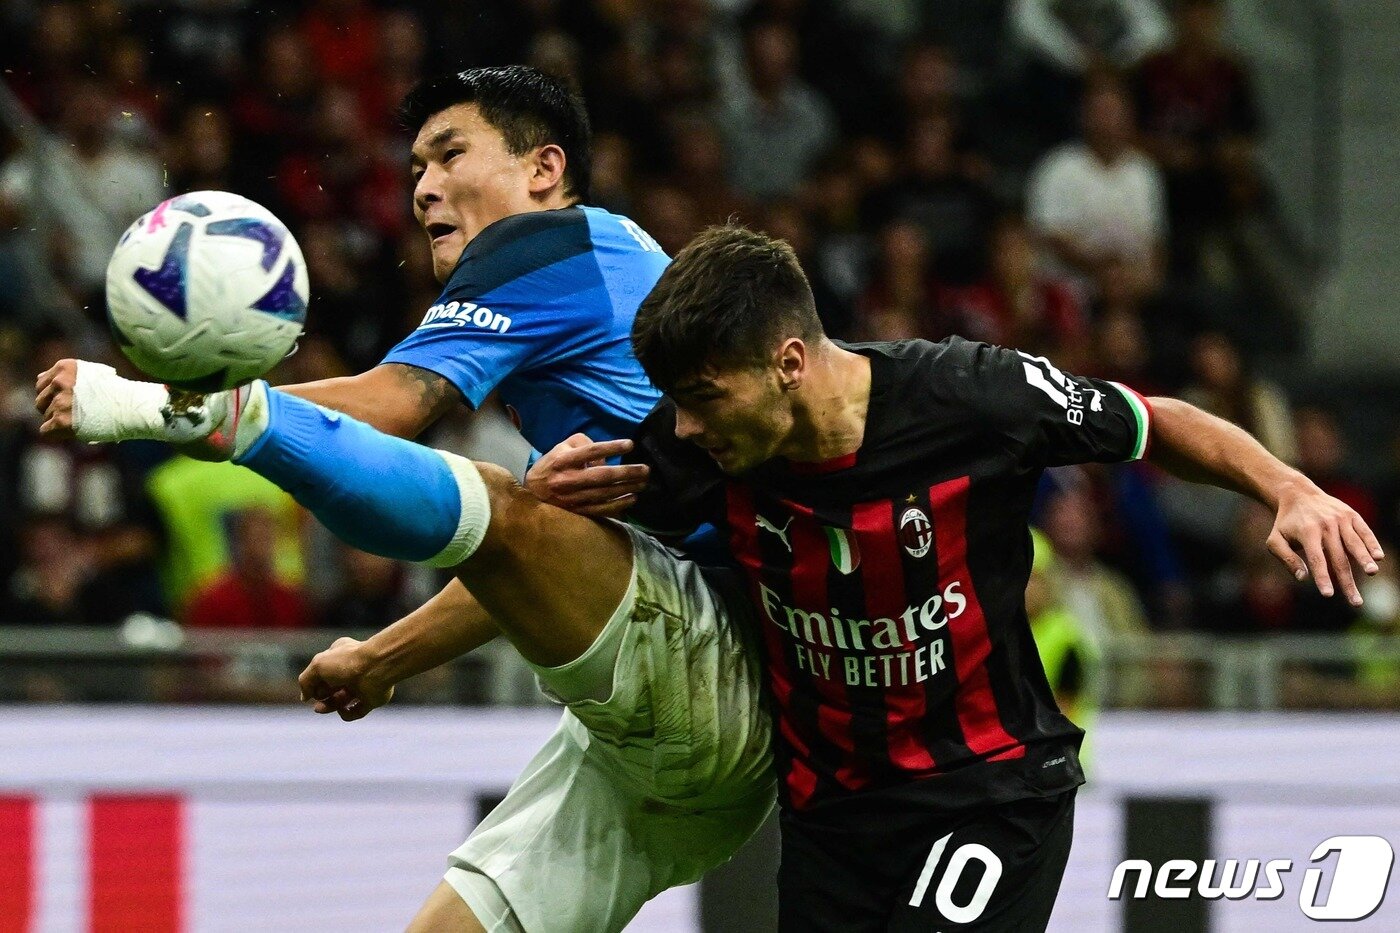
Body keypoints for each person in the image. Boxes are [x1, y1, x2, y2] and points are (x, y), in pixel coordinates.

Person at [553, 224, 1377, 930]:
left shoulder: (972, 395)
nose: (685, 424)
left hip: (987, 793)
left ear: (789, 361)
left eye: (702, 395)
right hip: (832, 818)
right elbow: (542, 536)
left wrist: (1289, 488)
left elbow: (1152, 420)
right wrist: (541, 494)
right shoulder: (700, 444)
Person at [35, 363, 774, 932]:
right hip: (648, 757)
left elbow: (389, 406)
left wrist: (144, 404)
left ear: (544, 168)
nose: (426, 186)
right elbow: (519, 562)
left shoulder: (546, 257)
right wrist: (381, 658)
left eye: (451, 154)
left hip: (720, 668)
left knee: (504, 507)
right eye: (420, 161)